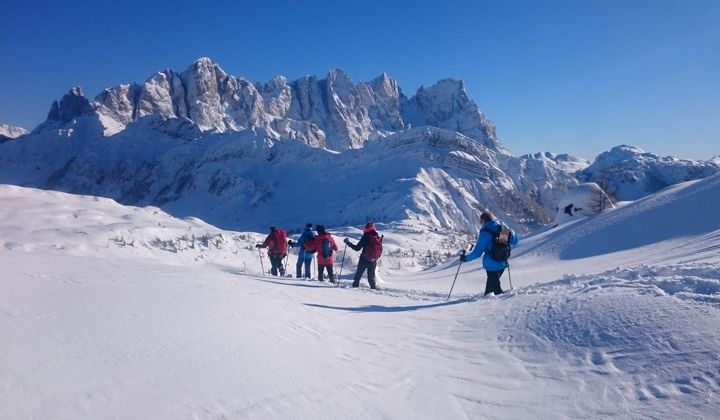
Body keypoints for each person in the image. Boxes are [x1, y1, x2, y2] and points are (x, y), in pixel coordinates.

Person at [460, 211, 518, 295]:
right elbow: (515, 241)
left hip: (491, 263)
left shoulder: (485, 233)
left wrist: (465, 258)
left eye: (480, 222)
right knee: (494, 290)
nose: (481, 224)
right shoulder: (501, 227)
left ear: (483, 221)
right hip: (502, 261)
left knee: (491, 294)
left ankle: (498, 306)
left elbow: (477, 252)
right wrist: (509, 230)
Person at [344, 222, 383, 289]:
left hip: (364, 259)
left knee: (358, 276)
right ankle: (374, 289)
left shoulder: (366, 236)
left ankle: (354, 289)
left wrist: (349, 243)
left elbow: (357, 248)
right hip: (373, 260)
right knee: (371, 277)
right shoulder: (377, 236)